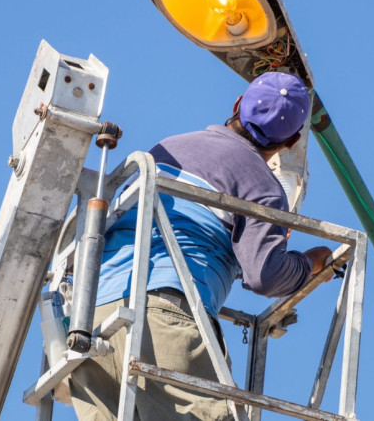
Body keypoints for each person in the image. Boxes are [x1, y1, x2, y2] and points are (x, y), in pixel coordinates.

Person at [69, 72, 333, 421]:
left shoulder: (170, 147)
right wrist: (314, 262)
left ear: (238, 104)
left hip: (93, 318)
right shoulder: (263, 187)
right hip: (163, 318)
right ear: (291, 142)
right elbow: (266, 277)